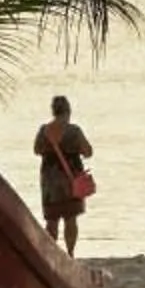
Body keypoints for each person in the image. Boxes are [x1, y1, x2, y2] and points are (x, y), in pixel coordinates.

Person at [32, 95, 93, 255]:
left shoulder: (44, 131)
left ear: (53, 111)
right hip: (70, 180)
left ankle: (50, 254)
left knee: (52, 220)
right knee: (70, 218)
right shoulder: (74, 131)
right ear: (68, 110)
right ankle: (70, 253)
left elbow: (37, 150)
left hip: (50, 180)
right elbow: (88, 152)